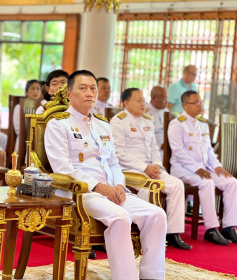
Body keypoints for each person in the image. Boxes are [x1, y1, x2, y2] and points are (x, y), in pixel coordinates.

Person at [45, 70, 166, 280]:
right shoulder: (58, 124)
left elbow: (114, 162)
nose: (90, 93)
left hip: (112, 190)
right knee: (120, 217)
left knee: (157, 215)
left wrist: (119, 185)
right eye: (82, 88)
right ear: (70, 94)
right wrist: (101, 187)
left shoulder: (103, 124)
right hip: (81, 193)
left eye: (93, 88)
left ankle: (152, 276)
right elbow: (62, 168)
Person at [110, 87, 191, 250]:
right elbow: (118, 152)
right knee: (148, 189)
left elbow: (154, 147)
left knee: (177, 185)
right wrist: (144, 167)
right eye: (138, 100)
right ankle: (143, 234)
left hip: (151, 168)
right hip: (131, 170)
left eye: (144, 100)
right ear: (126, 103)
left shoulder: (147, 120)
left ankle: (173, 233)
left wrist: (156, 166)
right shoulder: (118, 121)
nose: (143, 104)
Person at [168, 90, 237, 245]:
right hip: (183, 169)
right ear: (185, 105)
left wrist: (218, 167)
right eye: (196, 103)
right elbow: (178, 152)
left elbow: (209, 151)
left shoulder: (203, 125)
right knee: (207, 183)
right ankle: (211, 230)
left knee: (231, 182)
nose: (200, 106)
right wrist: (197, 169)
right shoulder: (177, 124)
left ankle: (229, 227)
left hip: (204, 168)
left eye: (201, 102)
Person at [13, 79, 42, 151]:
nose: (36, 91)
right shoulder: (19, 107)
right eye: (33, 88)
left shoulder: (43, 107)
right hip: (23, 140)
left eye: (38, 89)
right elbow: (17, 129)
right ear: (26, 92)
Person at [145, 86, 169, 150]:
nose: (166, 101)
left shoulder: (166, 111)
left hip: (167, 149)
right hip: (152, 150)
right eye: (164, 98)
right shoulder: (144, 113)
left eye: (167, 98)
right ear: (154, 98)